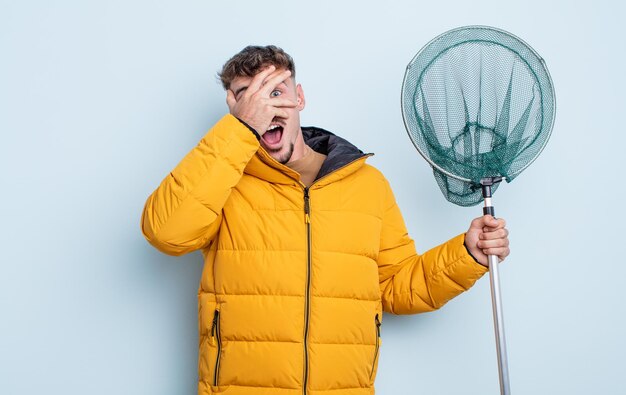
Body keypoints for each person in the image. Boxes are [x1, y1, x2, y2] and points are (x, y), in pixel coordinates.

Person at [141, 45, 510, 395]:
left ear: (298, 98)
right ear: (235, 108)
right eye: (248, 96)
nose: (263, 108)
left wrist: (466, 254)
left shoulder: (367, 184)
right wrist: (238, 132)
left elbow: (398, 286)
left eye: (274, 92)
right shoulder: (222, 182)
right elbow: (166, 233)